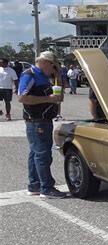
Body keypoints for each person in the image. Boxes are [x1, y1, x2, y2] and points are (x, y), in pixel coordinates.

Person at [17, 51, 68, 199]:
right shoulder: (30, 74)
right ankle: (46, 187)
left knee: (35, 153)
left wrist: (58, 76)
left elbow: (59, 98)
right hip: (37, 120)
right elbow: (22, 97)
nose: (54, 69)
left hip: (43, 119)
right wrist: (48, 98)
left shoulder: (45, 76)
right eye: (53, 66)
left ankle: (34, 185)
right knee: (43, 154)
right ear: (45, 62)